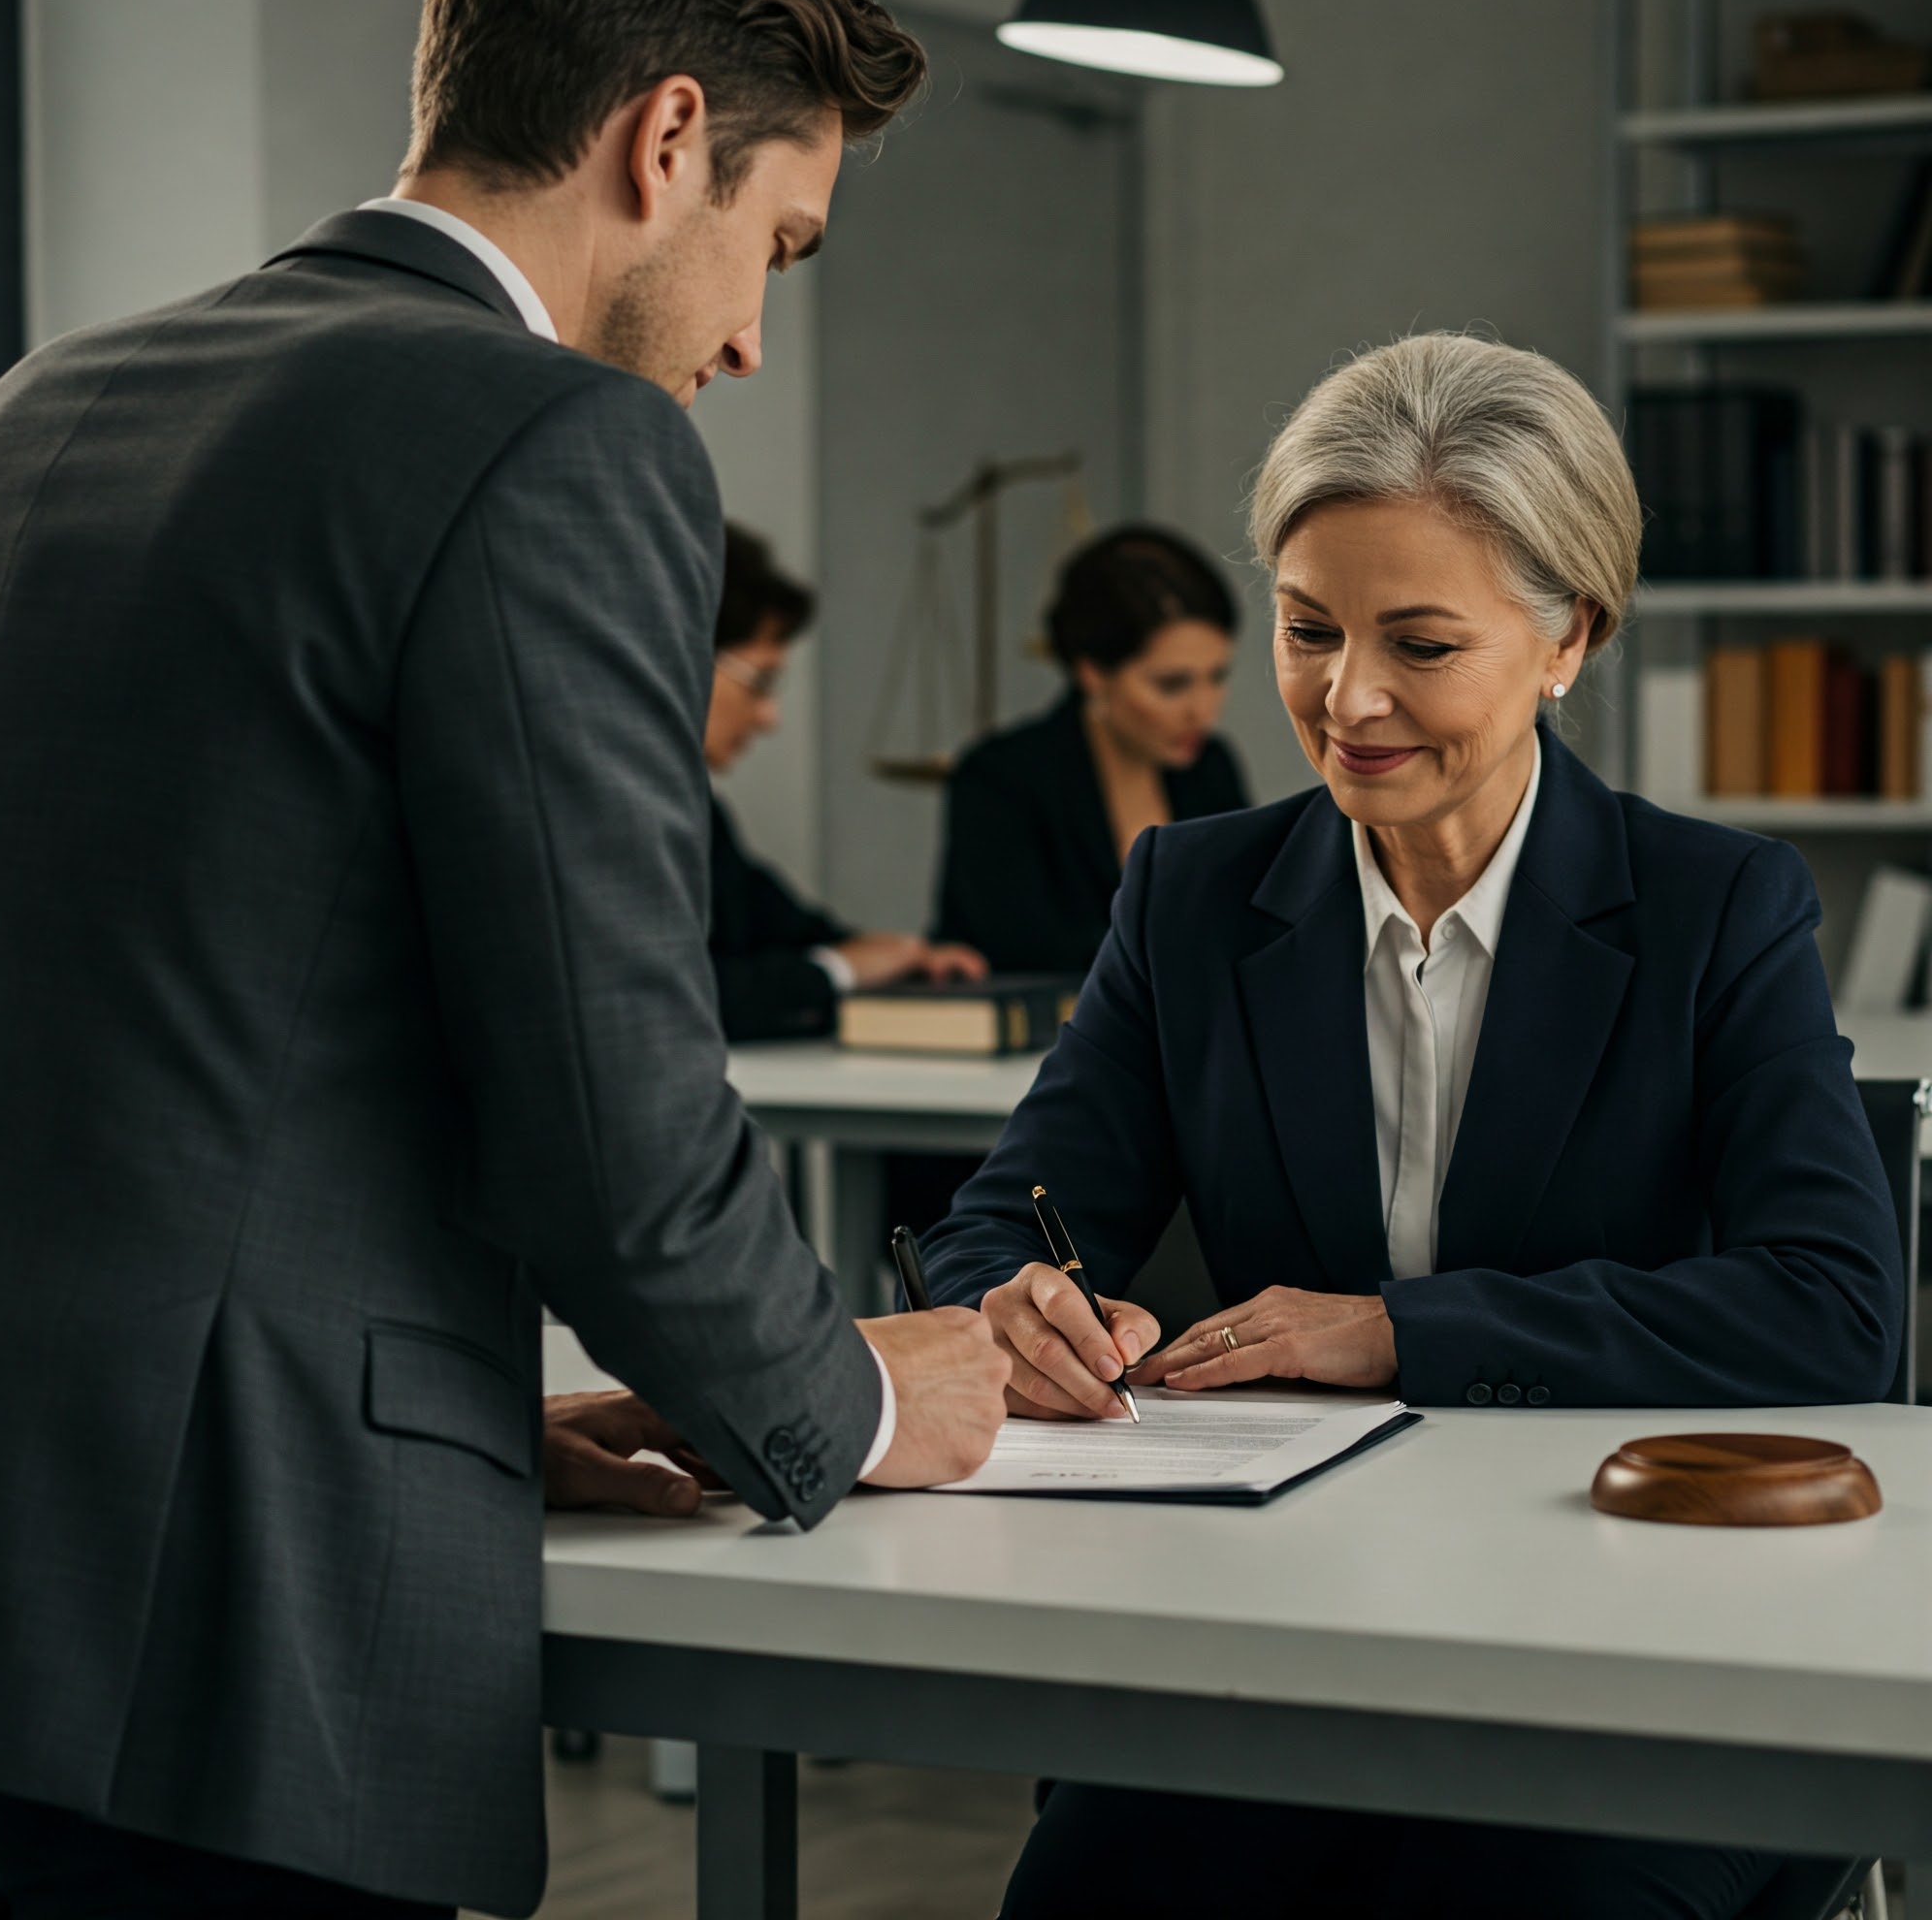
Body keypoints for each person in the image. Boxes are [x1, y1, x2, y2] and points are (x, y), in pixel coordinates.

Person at [0, 0, 1011, 1917]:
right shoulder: (557, 441)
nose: (753, 342)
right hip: (226, 1645)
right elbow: (607, 1107)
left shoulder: (29, 412)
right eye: (777, 248)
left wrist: (483, 1411)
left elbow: (177, 1049)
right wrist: (845, 1395)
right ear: (666, 135)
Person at [919, 333, 1902, 1920]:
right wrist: (1011, 1305)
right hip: (1277, 1635)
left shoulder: (1717, 906)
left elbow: (1831, 1308)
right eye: (1305, 631)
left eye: (1419, 643)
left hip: (1640, 1656)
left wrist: (1395, 1331)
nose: (1345, 698)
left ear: (1565, 634)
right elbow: (1004, 1214)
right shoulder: (1190, 895)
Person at [707, 525, 985, 1040]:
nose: (770, 719)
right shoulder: (609, 819)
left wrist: (906, 959)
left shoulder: (701, 814)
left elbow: (786, 930)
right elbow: (689, 994)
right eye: (760, 682)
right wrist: (839, 971)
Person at [933, 524, 1249, 975]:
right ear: (1092, 674)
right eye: (1172, 684)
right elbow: (1026, 949)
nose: (1203, 711)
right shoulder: (1002, 779)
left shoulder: (1209, 767)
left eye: (1216, 677)